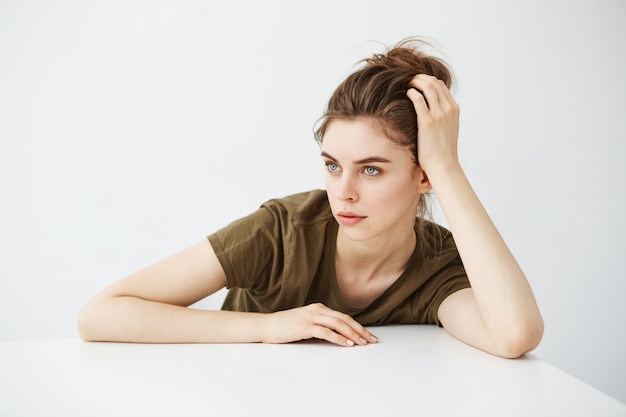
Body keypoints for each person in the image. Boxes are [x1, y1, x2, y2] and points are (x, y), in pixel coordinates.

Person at [77, 38, 544, 358]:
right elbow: (101, 315)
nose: (344, 192)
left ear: (422, 176)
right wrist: (268, 326)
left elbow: (514, 335)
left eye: (372, 169)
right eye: (333, 165)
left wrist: (448, 168)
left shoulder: (439, 262)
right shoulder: (284, 230)